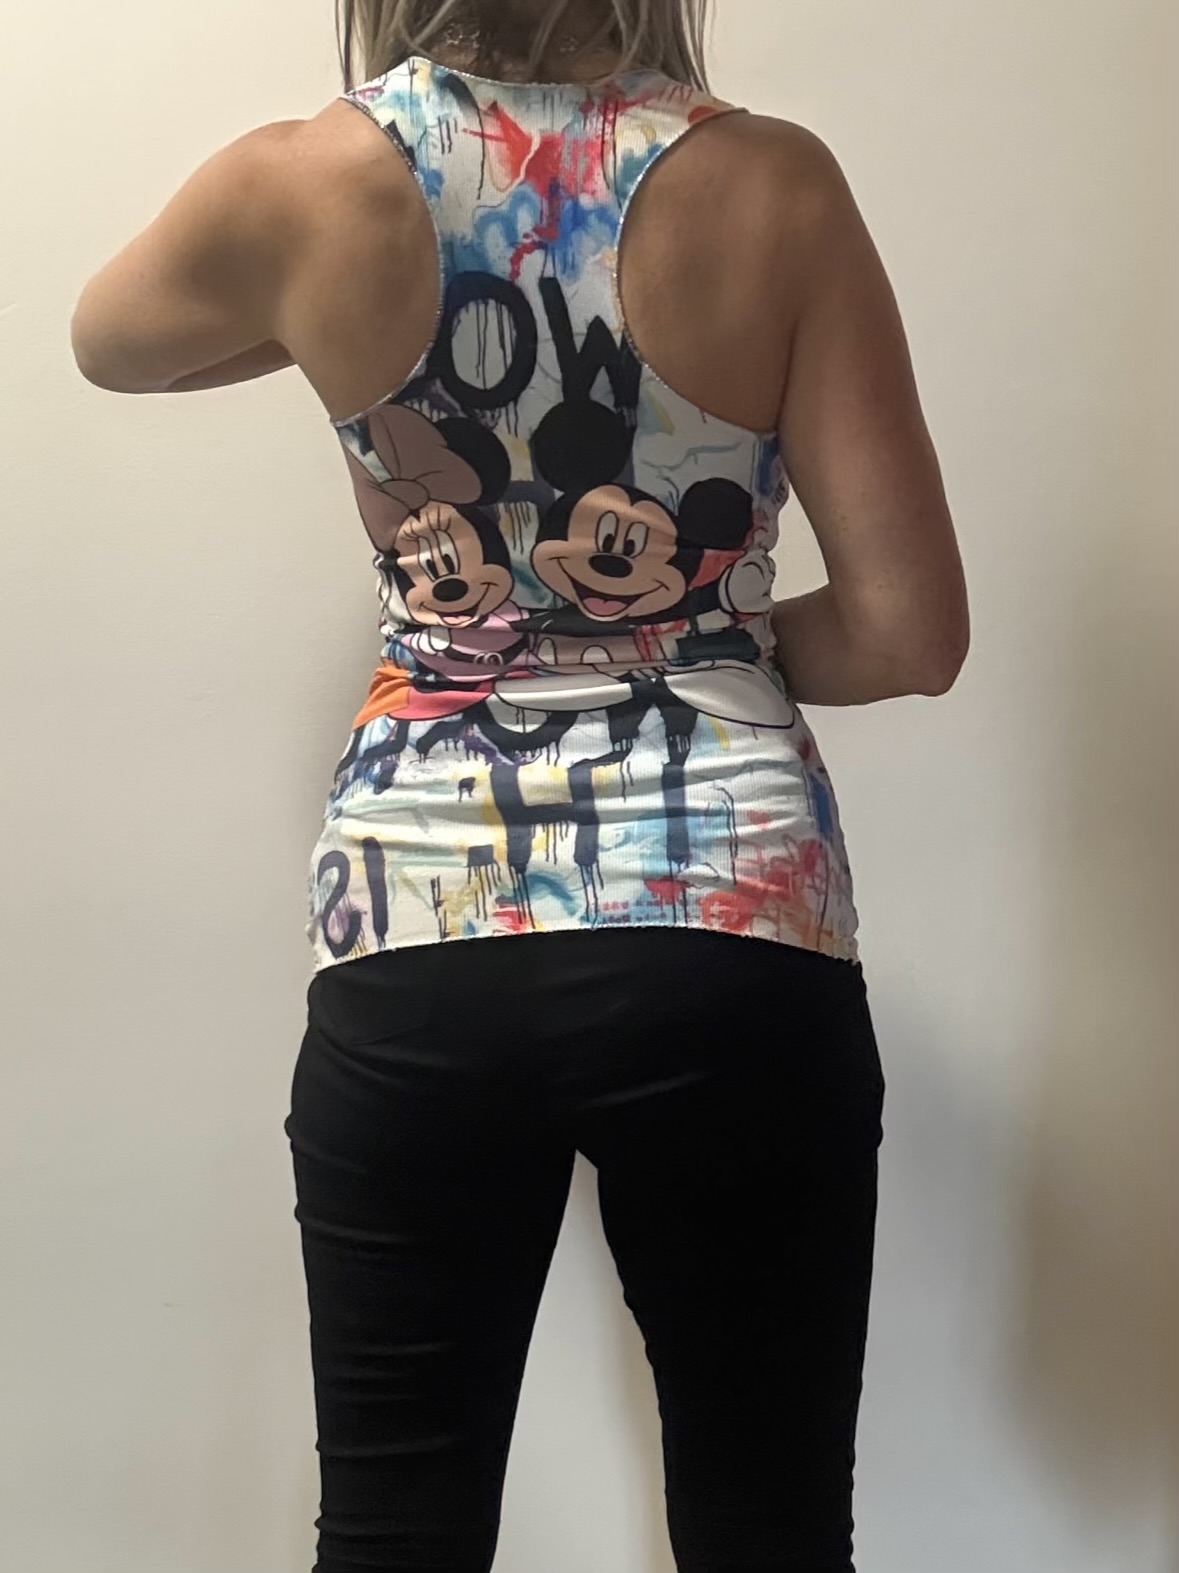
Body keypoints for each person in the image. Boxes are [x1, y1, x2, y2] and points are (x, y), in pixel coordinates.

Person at [71, 1, 968, 1568]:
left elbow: (112, 344)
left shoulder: (301, 188)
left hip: (421, 918)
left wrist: (323, 331)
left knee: (396, 1532)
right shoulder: (780, 188)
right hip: (732, 922)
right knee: (769, 1534)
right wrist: (691, 636)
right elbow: (908, 631)